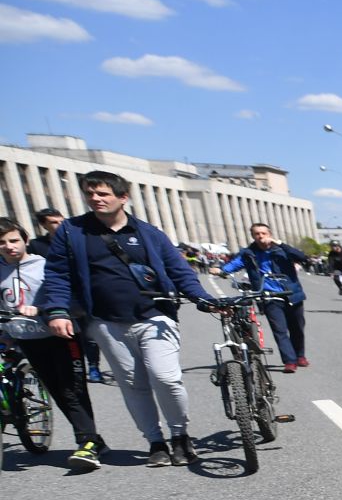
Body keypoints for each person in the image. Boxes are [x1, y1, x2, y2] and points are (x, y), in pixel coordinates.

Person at [39, 169, 215, 468]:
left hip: (155, 316)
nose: (95, 199)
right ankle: (155, 442)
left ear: (122, 197)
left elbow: (179, 270)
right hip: (106, 321)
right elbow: (57, 274)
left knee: (166, 378)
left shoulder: (149, 233)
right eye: (90, 193)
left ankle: (180, 435)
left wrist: (205, 299)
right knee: (134, 384)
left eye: (103, 193)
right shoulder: (71, 232)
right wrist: (56, 310)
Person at [0, 217, 105, 471]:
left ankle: (87, 443)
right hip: (25, 339)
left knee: (72, 390)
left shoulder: (46, 265)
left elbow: (72, 299)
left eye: (13, 240)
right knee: (57, 392)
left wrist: (43, 308)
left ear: (25, 240)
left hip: (61, 336)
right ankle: (91, 437)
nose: (8, 246)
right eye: (1, 243)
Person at [219, 223, 310, 371]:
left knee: (297, 328)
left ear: (269, 234)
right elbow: (234, 264)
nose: (260, 237)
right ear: (253, 236)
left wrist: (280, 243)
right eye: (257, 234)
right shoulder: (248, 253)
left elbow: (301, 257)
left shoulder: (281, 249)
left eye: (263, 233)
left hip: (291, 294)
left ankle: (300, 355)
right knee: (279, 329)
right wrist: (221, 270)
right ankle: (290, 361)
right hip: (268, 296)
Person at [29, 207, 105, 384]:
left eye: (61, 221)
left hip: (80, 295)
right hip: (55, 295)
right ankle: (74, 369)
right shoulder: (37, 245)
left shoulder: (75, 240)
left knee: (89, 335)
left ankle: (94, 366)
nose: (59, 225)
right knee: (66, 334)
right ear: (43, 225)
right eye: (53, 222)